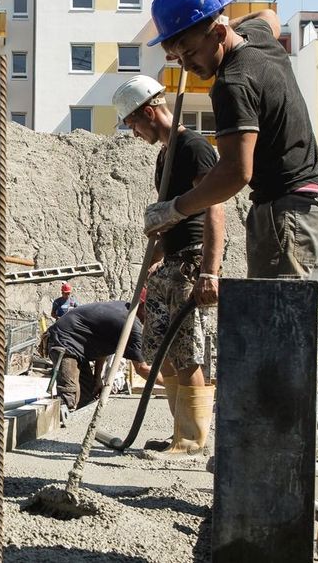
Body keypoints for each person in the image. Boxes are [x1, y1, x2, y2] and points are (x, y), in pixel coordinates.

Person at [143, 0, 318, 303]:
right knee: (272, 334)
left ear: (218, 33)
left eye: (190, 52)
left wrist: (174, 209)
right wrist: (214, 26)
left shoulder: (233, 84)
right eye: (179, 58)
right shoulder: (257, 39)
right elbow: (269, 17)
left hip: (289, 214)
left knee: (278, 336)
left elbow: (235, 172)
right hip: (295, 209)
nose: (188, 65)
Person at [114, 74, 224, 455]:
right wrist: (157, 252)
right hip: (171, 263)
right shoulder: (166, 155)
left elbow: (215, 207)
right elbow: (173, 215)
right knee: (162, 352)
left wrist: (209, 270)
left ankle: (193, 441)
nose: (133, 133)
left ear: (148, 112)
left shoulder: (193, 146)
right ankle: (181, 434)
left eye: (133, 124)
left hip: (192, 262)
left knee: (187, 353)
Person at [44, 301, 155, 411]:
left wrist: (97, 378)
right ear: (145, 308)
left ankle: (77, 422)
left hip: (77, 345)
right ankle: (62, 423)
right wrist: (170, 383)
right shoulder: (130, 323)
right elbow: (142, 369)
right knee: (69, 397)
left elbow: (102, 347)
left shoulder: (123, 310)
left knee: (87, 395)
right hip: (63, 341)